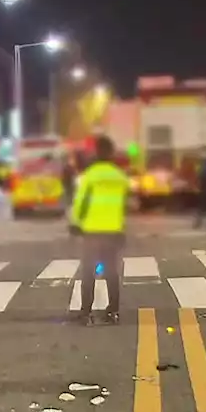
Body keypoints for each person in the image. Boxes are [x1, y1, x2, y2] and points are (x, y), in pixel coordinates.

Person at [69, 135, 130, 326]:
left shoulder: (90, 175)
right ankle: (113, 312)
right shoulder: (120, 176)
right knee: (111, 272)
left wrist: (75, 223)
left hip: (92, 231)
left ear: (96, 153)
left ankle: (86, 313)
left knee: (88, 272)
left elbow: (80, 202)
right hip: (113, 231)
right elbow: (123, 205)